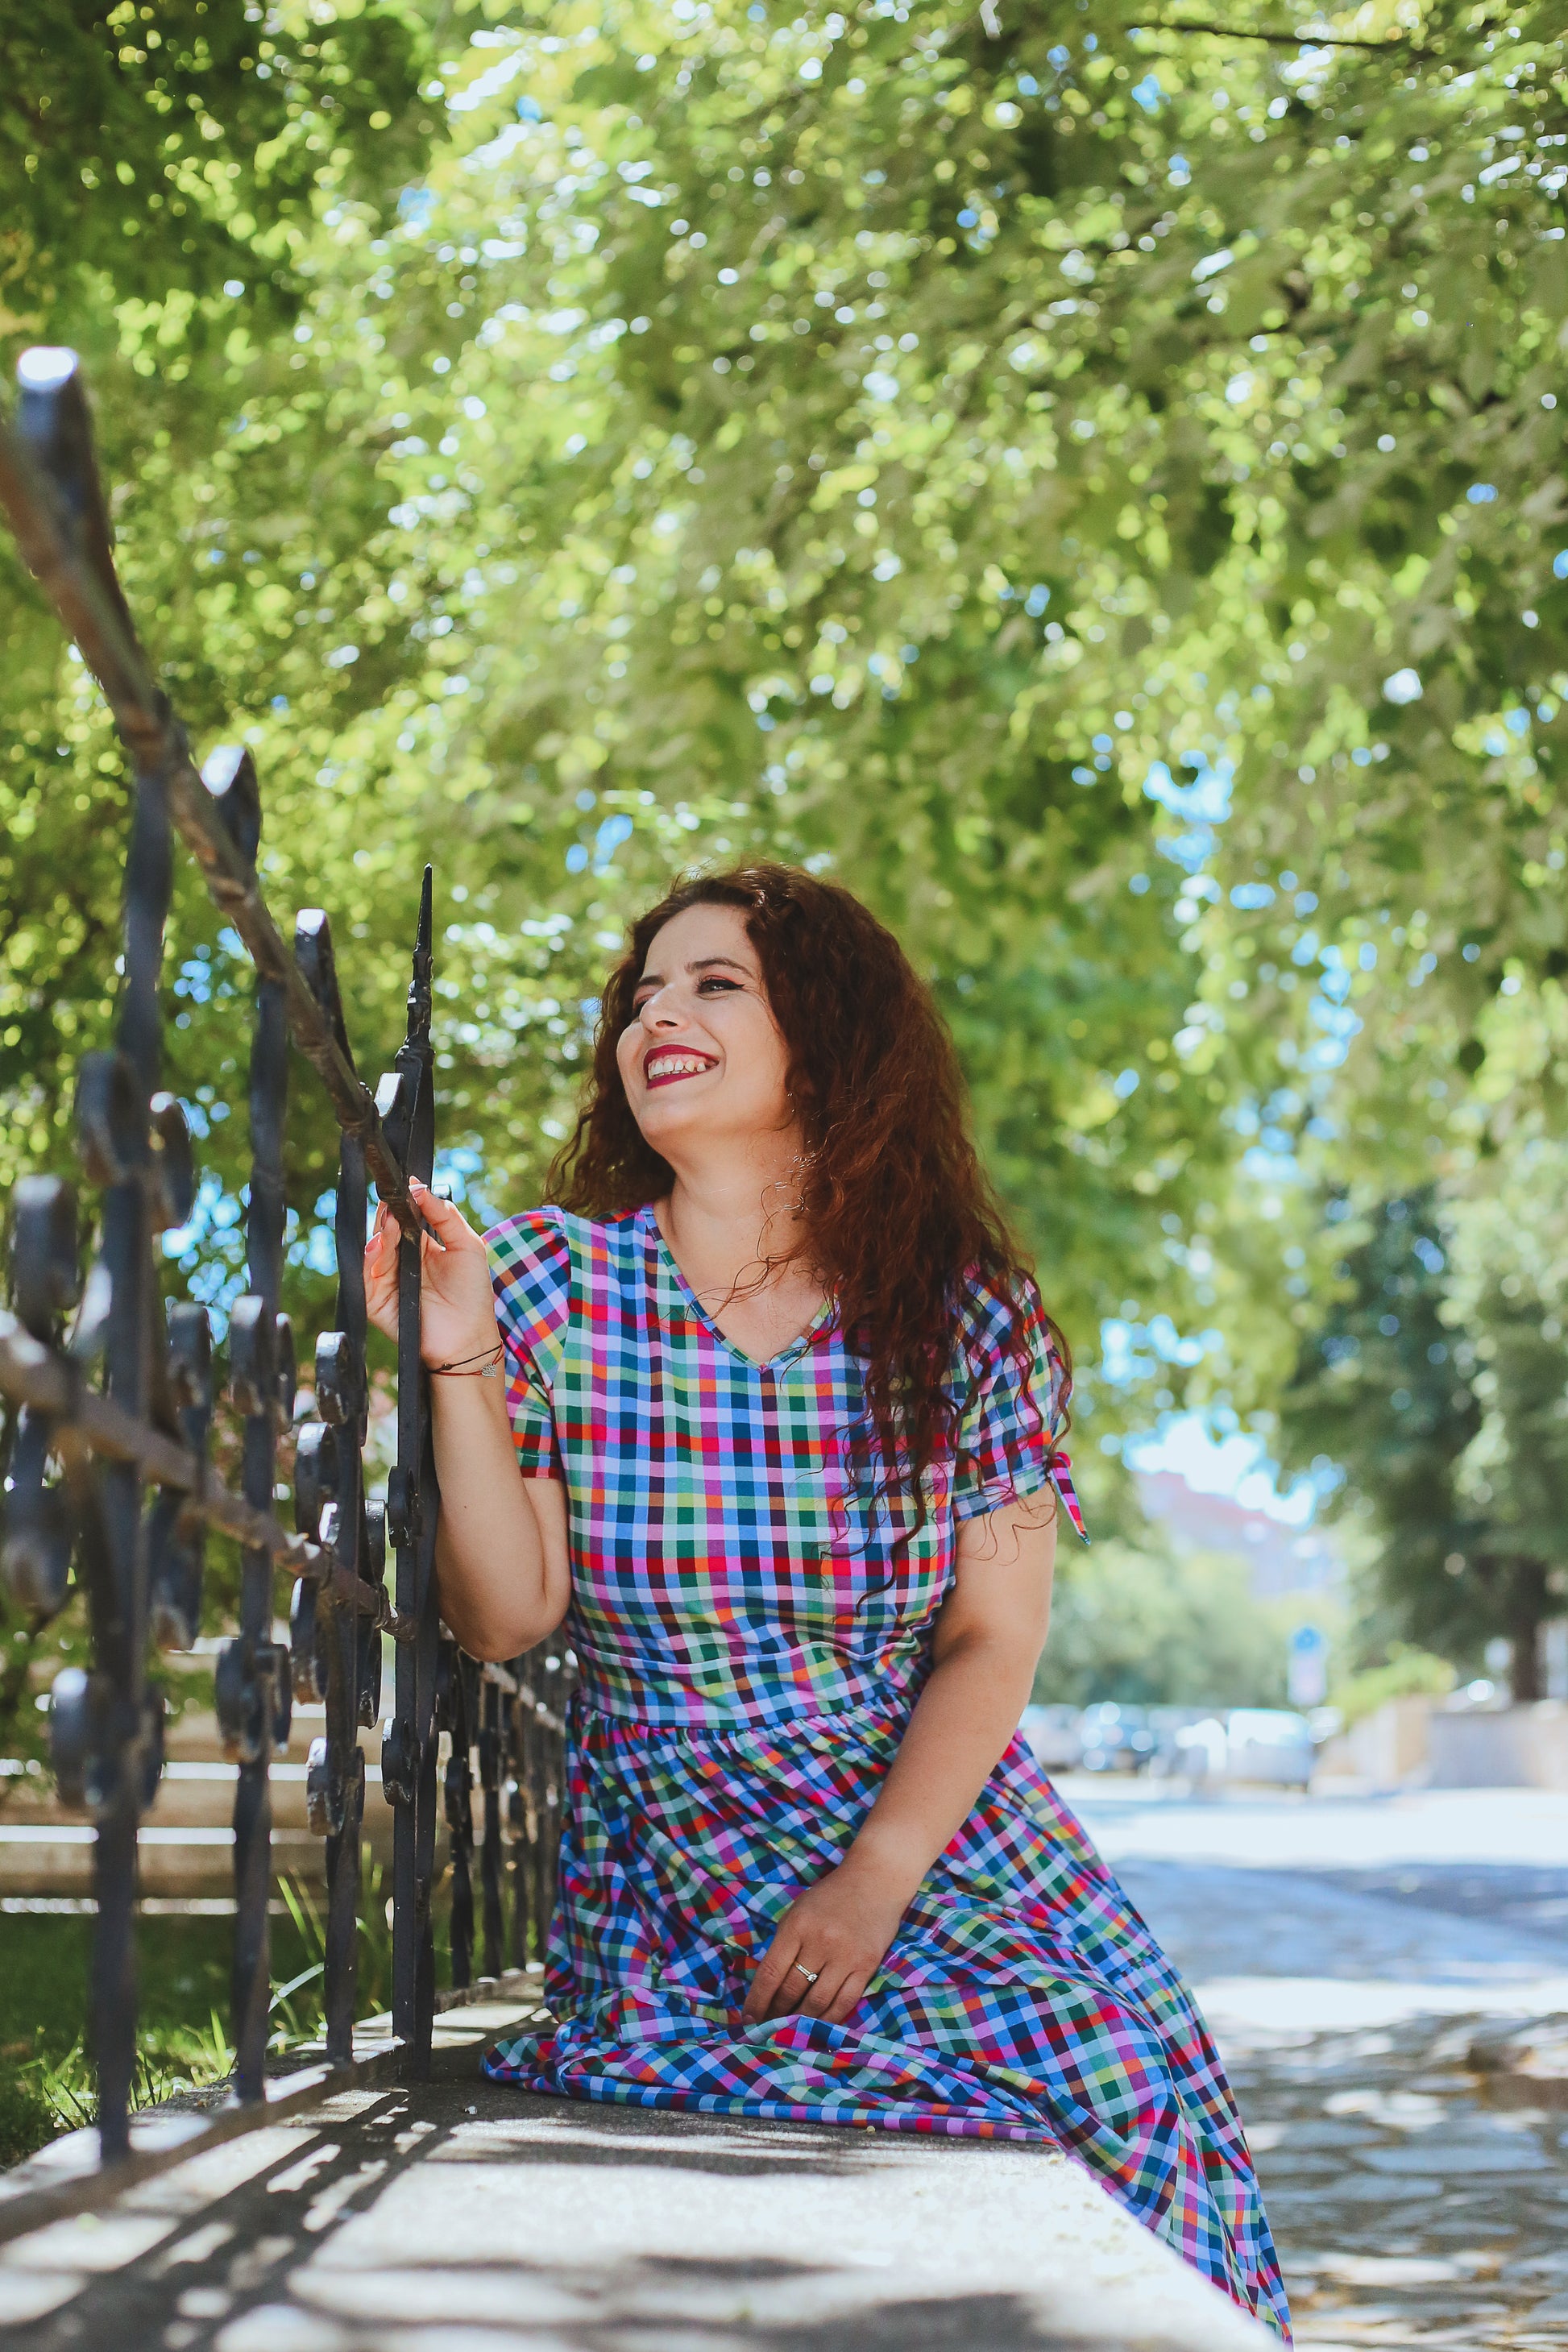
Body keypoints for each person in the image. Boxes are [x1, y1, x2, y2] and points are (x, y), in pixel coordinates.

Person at [363, 864, 1289, 2342]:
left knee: (1123, 2083)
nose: (658, 1013)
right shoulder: (548, 1282)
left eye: (713, 983)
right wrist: (459, 1356)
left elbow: (993, 1638)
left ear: (829, 1035)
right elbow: (506, 1617)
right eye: (641, 995)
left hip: (928, 1833)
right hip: (685, 1844)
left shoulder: (964, 1316)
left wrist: (876, 1880)